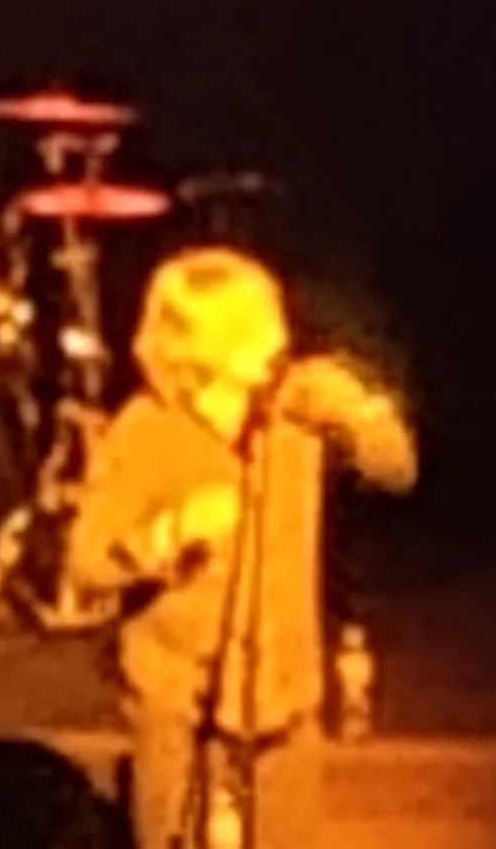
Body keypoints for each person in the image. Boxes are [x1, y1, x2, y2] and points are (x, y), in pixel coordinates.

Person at [65, 249, 415, 849]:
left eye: (273, 317)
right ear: (199, 346)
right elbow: (86, 562)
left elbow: (396, 470)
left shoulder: (297, 411)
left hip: (282, 696)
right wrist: (169, 533)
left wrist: (361, 412)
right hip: (179, 703)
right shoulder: (146, 431)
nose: (277, 337)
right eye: (252, 326)